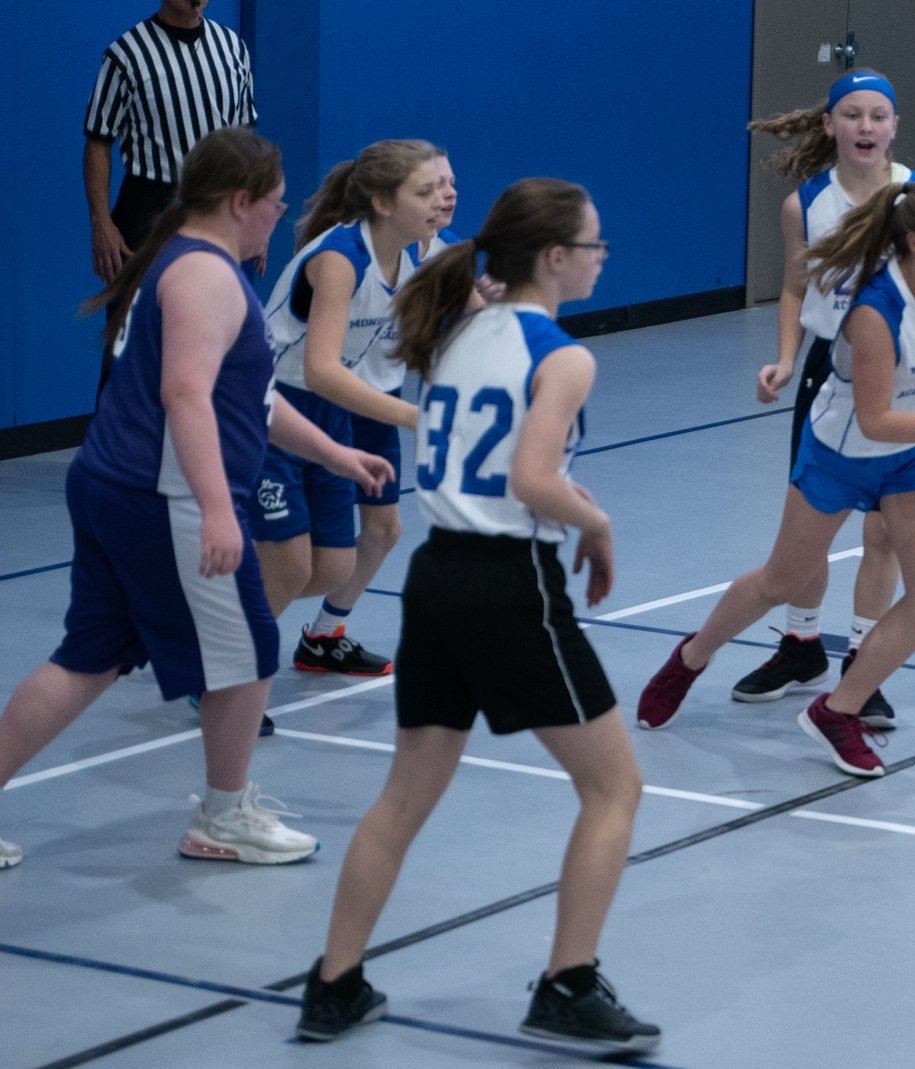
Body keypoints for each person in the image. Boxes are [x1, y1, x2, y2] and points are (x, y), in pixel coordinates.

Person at [296, 178, 659, 1054]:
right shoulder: (562, 355)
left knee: (403, 795)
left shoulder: (456, 335)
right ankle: (568, 984)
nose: (603, 258)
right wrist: (597, 522)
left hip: (435, 577)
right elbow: (530, 480)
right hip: (509, 583)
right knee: (615, 787)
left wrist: (567, 501)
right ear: (555, 257)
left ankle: (333, 983)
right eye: (595, 244)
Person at [0, 128, 392, 871]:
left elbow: (253, 397)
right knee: (249, 650)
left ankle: (223, 810)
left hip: (116, 483)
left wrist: (335, 453)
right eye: (276, 203)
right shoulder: (206, 276)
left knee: (88, 658)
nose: (281, 216)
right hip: (163, 495)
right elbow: (186, 393)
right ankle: (223, 816)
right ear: (241, 201)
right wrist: (216, 508)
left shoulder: (187, 261)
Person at [637, 178, 915, 777]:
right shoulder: (873, 309)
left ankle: (839, 709)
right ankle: (692, 657)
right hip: (843, 451)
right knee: (782, 580)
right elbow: (876, 419)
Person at [734, 71, 915, 727]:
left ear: (894, 127)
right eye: (852, 114)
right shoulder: (806, 204)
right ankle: (802, 644)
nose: (865, 126)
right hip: (828, 370)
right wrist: (786, 360)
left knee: (886, 530)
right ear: (829, 125)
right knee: (809, 527)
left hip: (903, 374)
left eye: (878, 115)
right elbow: (795, 288)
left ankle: (863, 667)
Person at [249, 141, 445, 679]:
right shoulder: (340, 258)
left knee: (333, 566)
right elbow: (320, 370)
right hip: (273, 409)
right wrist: (418, 419)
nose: (442, 199)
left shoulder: (421, 250)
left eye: (443, 187)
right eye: (426, 191)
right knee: (290, 564)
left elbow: (474, 308)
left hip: (331, 413)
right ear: (383, 203)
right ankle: (220, 669)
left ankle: (239, 611)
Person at [85, 0, 257, 392]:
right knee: (130, 346)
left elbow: (244, 136)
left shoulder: (233, 47)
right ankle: (116, 432)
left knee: (213, 339)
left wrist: (252, 213)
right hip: (148, 209)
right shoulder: (126, 53)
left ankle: (197, 429)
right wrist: (101, 223)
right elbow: (98, 139)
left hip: (216, 208)